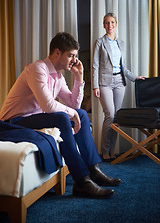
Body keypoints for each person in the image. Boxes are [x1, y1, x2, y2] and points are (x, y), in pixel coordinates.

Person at [0, 32, 122, 199]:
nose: (74, 60)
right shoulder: (37, 69)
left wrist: (79, 78)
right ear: (57, 52)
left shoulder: (58, 76)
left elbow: (74, 106)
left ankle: (93, 170)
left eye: (75, 56)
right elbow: (48, 106)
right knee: (62, 117)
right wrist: (71, 113)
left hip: (35, 117)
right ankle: (82, 181)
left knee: (82, 114)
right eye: (71, 55)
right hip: (14, 121)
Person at [92, 13, 145, 161]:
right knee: (109, 114)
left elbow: (123, 67)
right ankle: (104, 150)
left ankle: (111, 151)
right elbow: (95, 66)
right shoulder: (99, 42)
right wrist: (95, 86)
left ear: (116, 24)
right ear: (104, 25)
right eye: (107, 23)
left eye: (112, 22)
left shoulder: (121, 43)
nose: (110, 25)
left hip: (119, 82)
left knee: (116, 117)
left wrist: (135, 77)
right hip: (105, 82)